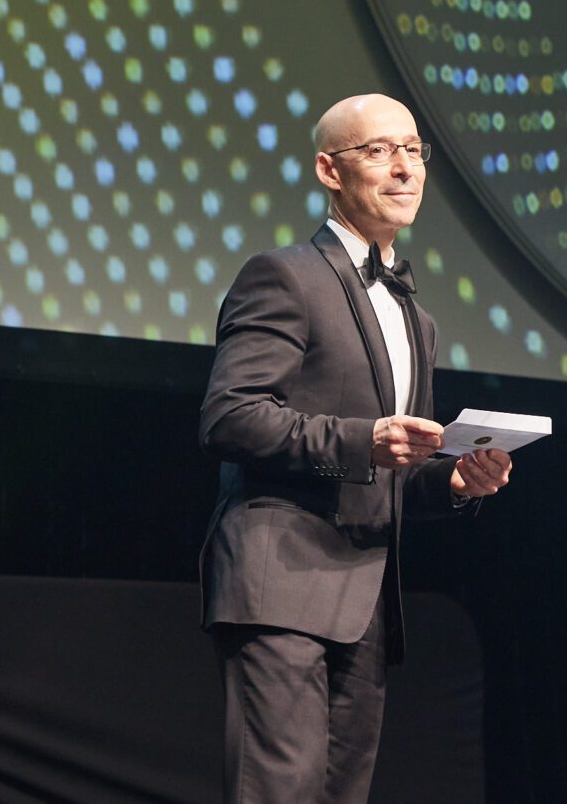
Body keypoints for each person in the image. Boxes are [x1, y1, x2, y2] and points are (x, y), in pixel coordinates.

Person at [198, 92, 513, 804]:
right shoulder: (284, 274)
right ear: (329, 170)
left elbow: (394, 469)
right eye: (379, 151)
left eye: (413, 151)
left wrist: (454, 480)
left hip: (366, 596)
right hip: (280, 583)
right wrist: (361, 440)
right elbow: (230, 415)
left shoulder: (416, 318)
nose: (404, 168)